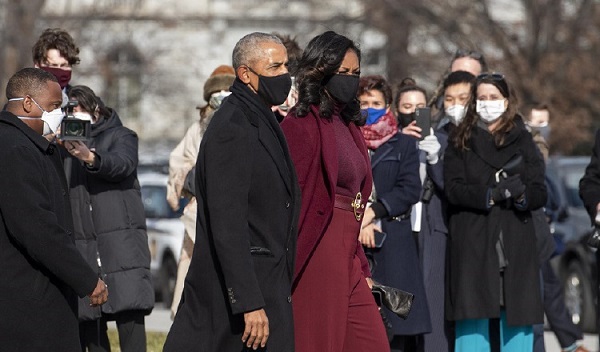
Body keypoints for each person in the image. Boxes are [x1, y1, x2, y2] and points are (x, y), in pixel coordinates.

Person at [163, 32, 300, 352]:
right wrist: (249, 302)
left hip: (267, 284)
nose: (285, 75)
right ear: (246, 74)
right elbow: (228, 222)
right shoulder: (233, 125)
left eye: (286, 66)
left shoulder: (260, 116)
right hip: (238, 298)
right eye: (275, 66)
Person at [281, 30, 390, 352]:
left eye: (355, 73)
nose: (349, 79)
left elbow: (356, 200)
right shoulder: (300, 124)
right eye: (342, 72)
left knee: (372, 343)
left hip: (348, 248)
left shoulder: (350, 124)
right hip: (317, 246)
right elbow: (290, 201)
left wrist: (360, 264)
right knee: (319, 342)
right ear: (320, 70)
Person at [0, 67, 108, 351]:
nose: (58, 115)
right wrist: (86, 279)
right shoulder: (15, 149)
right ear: (27, 104)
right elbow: (37, 228)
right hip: (27, 301)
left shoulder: (29, 145)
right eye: (53, 107)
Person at [444, 73, 546, 351]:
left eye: (494, 98)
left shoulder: (523, 139)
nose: (488, 104)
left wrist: (522, 194)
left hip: (514, 242)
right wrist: (488, 194)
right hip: (473, 243)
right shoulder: (460, 138)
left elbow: (540, 189)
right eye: (482, 98)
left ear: (506, 101)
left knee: (517, 327)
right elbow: (452, 189)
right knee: (472, 327)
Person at [62, 85, 154, 352]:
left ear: (95, 109)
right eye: (68, 110)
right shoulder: (63, 148)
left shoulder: (121, 135)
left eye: (77, 108)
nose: (72, 114)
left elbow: (122, 163)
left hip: (123, 248)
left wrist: (90, 157)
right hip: (85, 249)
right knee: (91, 328)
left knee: (130, 321)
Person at [356, 75, 425, 351]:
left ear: (387, 107)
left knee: (397, 325)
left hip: (394, 240)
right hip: (355, 239)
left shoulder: (403, 144)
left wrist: (375, 211)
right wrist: (360, 221)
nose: (369, 107)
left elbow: (410, 189)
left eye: (376, 102)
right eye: (363, 102)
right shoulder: (347, 138)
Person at [166, 64, 235, 318]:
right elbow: (177, 163)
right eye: (218, 92)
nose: (223, 96)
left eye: (229, 91)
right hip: (198, 211)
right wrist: (193, 175)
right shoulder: (196, 129)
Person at [419, 70, 476, 352]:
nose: (456, 105)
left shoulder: (487, 140)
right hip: (441, 231)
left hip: (476, 236)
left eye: (463, 98)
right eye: (450, 99)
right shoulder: (439, 137)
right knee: (437, 307)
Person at [32, 28, 80, 106]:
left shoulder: (81, 102)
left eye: (64, 65)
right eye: (53, 65)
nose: (59, 70)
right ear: (37, 65)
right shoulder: (24, 102)